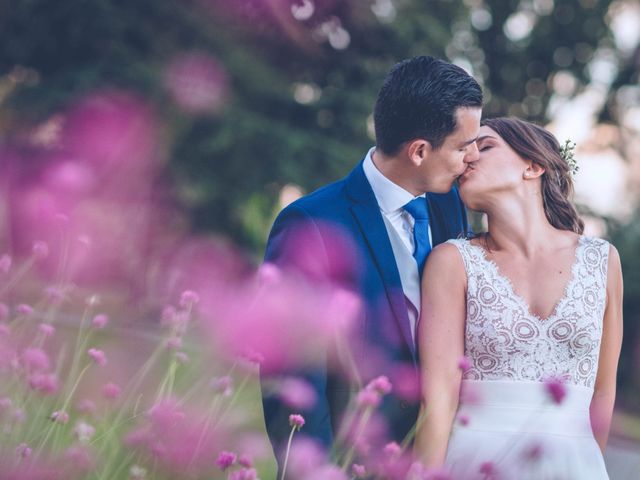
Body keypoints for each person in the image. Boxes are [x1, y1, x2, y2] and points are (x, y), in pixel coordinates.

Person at [260, 56, 483, 468]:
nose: (471, 158)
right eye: (462, 146)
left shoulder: (451, 205)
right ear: (419, 151)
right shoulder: (311, 223)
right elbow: (292, 376)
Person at [415, 117, 624, 479]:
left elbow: (603, 394)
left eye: (486, 145)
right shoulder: (452, 262)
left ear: (533, 165)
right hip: (475, 463)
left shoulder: (603, 260)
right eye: (465, 149)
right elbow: (437, 401)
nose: (469, 157)